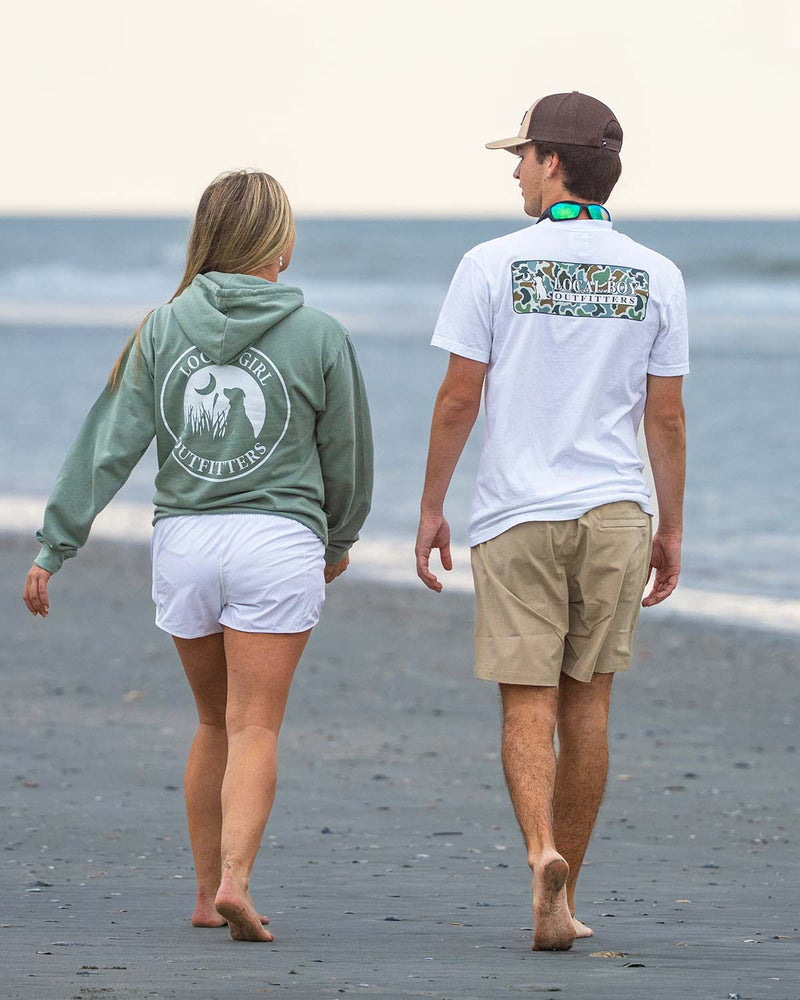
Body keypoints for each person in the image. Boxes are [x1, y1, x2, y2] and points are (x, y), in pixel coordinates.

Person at [22, 170, 374, 942]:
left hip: (185, 542)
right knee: (255, 727)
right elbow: (346, 453)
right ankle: (237, 881)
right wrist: (340, 538)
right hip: (276, 541)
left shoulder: (160, 328)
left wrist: (56, 542)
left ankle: (204, 894)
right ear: (278, 243)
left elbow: (109, 442)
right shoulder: (320, 334)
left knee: (213, 721)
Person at [415, 92, 688, 951]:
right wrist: (671, 527)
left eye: (523, 157)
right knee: (589, 705)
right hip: (616, 513)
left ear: (555, 163)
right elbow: (667, 417)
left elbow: (459, 398)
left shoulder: (488, 264)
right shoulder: (658, 274)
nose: (515, 174)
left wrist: (431, 505)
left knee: (527, 700)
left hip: (518, 514)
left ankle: (541, 853)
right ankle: (565, 897)